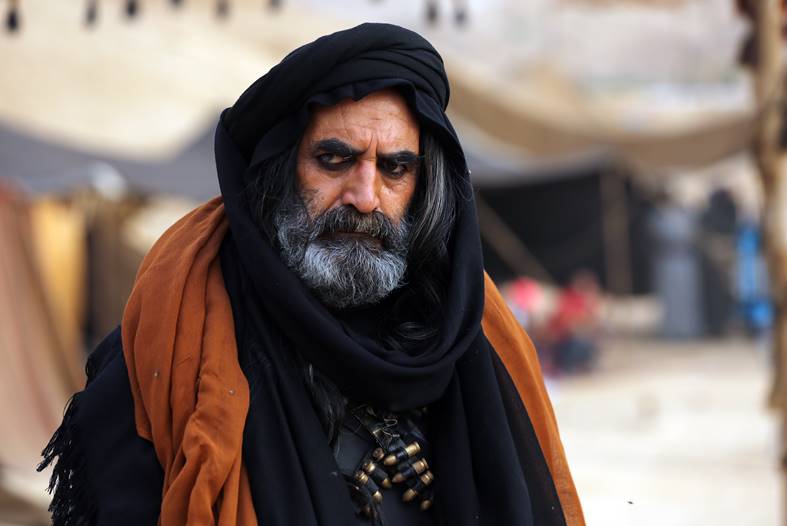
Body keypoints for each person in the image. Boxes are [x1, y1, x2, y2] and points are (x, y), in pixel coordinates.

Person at [39, 23, 584, 526]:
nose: (365, 197)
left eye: (395, 168)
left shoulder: (467, 328)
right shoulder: (176, 336)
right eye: (334, 160)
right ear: (280, 169)